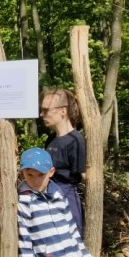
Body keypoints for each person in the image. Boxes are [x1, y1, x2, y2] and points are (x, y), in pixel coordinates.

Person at [17, 147, 97, 257]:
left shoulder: (58, 196)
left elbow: (74, 233)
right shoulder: (23, 201)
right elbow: (24, 245)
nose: (35, 180)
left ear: (51, 172)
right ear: (23, 172)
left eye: (41, 175)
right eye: (30, 175)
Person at [40, 88, 86, 235]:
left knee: (71, 236)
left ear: (63, 111)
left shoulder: (76, 140)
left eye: (46, 110)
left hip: (67, 196)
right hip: (47, 193)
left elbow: (85, 176)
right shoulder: (50, 139)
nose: (41, 114)